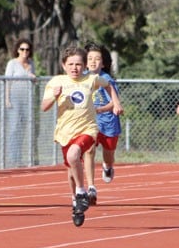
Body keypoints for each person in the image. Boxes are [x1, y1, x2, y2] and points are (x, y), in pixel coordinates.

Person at [41, 46, 123, 227]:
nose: (75, 68)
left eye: (78, 64)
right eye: (71, 64)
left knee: (74, 155)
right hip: (65, 132)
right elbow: (44, 107)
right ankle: (76, 204)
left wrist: (115, 102)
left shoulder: (91, 79)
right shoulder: (57, 82)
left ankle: (81, 191)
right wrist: (54, 97)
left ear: (84, 65)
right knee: (71, 170)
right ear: (64, 65)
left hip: (88, 129)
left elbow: (108, 85)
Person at [83, 42, 121, 206]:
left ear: (103, 63)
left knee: (109, 152)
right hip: (90, 123)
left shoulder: (106, 80)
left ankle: (107, 166)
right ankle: (91, 187)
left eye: (97, 59)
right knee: (89, 150)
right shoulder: (82, 78)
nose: (92, 62)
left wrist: (99, 110)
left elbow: (115, 103)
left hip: (108, 122)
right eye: (90, 58)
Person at [4, 38, 36, 167]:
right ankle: (13, 158)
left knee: (23, 128)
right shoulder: (12, 63)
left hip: (26, 98)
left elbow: (33, 78)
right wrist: (7, 98)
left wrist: (33, 77)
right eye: (22, 49)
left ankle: (20, 157)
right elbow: (7, 81)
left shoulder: (31, 64)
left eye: (27, 50)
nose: (24, 52)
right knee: (14, 127)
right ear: (17, 50)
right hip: (14, 97)